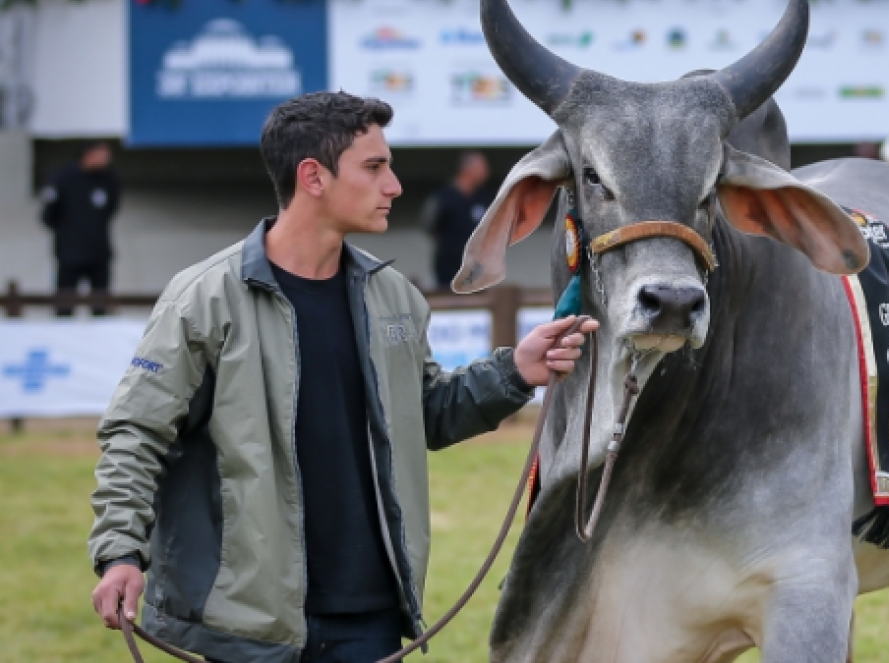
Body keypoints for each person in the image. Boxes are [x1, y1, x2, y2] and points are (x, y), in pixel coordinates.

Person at [88, 91, 596, 662]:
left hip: (371, 618)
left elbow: (427, 411)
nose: (394, 186)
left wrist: (515, 370)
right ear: (313, 177)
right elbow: (136, 432)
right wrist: (119, 553)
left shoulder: (394, 296)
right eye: (374, 167)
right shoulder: (203, 299)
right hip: (249, 625)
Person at [41, 140, 121, 316]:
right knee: (65, 305)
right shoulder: (63, 178)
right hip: (69, 254)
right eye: (103, 154)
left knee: (100, 304)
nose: (107, 159)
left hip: (99, 253)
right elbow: (48, 215)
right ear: (89, 154)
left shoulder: (109, 179)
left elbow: (110, 210)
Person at [421, 150, 493, 290]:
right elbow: (429, 224)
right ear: (467, 169)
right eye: (482, 167)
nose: (487, 172)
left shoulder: (484, 199)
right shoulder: (444, 198)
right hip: (449, 268)